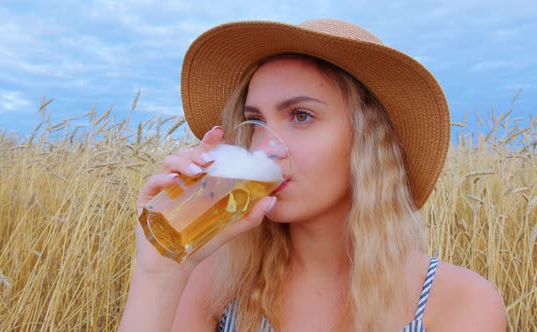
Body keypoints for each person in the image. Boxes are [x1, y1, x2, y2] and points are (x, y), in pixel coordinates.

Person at [119, 19, 506, 331]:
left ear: (367, 141)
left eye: (301, 116)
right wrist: (159, 269)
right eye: (255, 122)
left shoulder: (457, 302)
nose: (264, 147)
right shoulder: (214, 286)